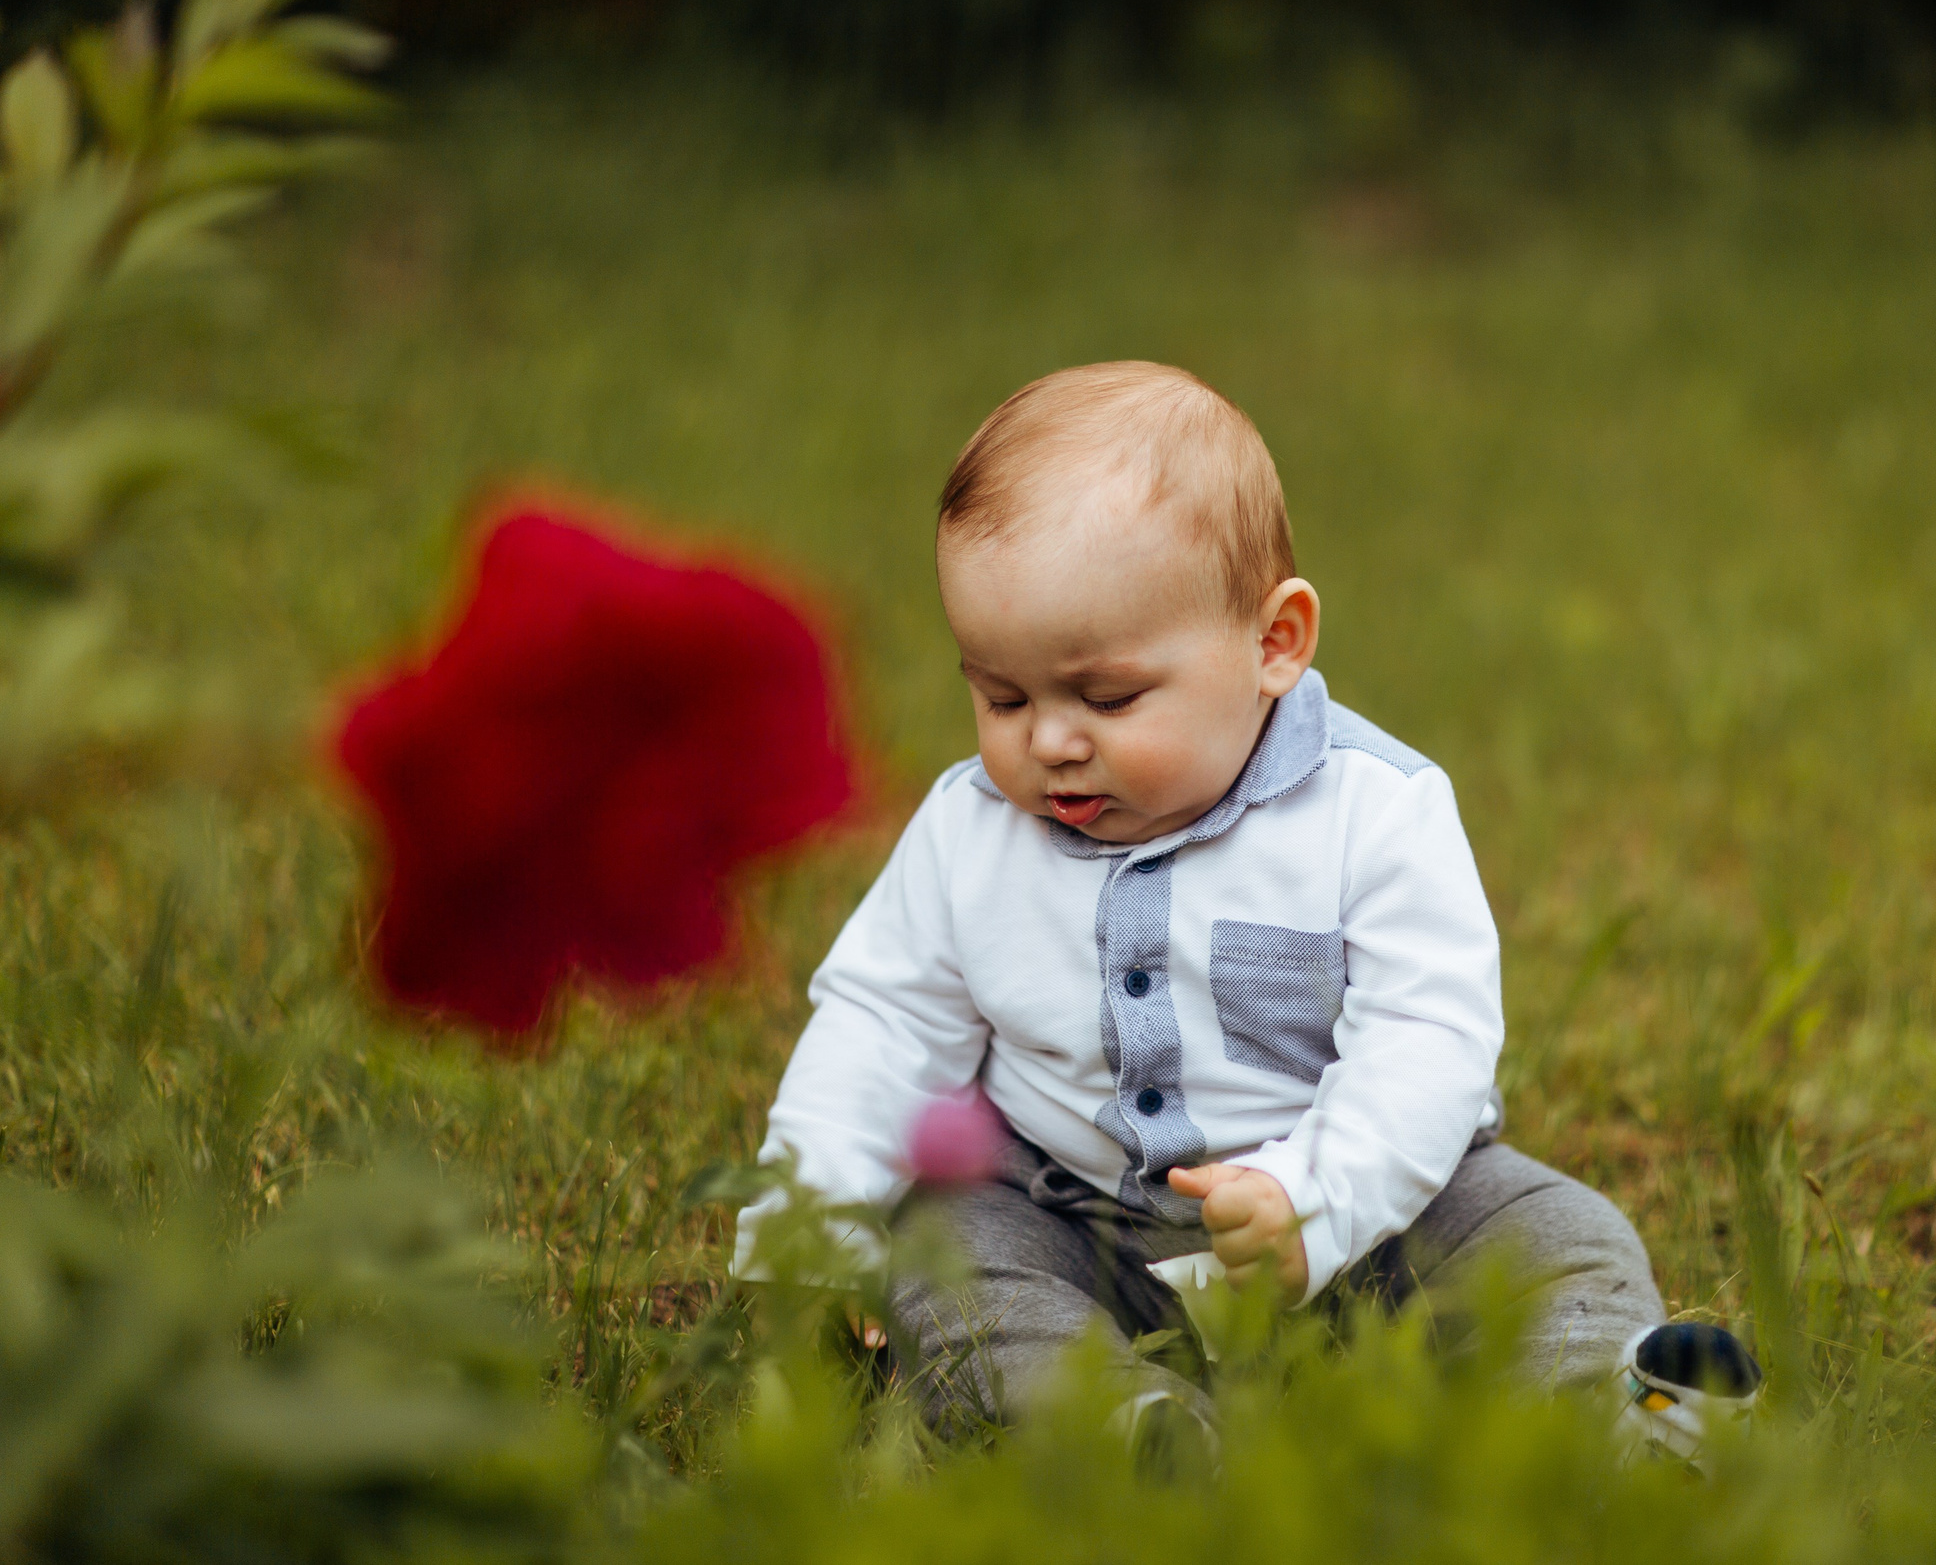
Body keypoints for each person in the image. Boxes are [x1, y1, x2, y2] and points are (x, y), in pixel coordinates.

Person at [737, 360, 1758, 1457]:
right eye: (1000, 694)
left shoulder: (1375, 813)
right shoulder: (969, 832)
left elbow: (1429, 1042)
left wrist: (1310, 1198)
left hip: (1368, 1214)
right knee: (944, 1251)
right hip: (1067, 1213)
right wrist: (811, 1226)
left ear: (1274, 645)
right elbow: (880, 1028)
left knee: (1552, 1234)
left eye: (1108, 696)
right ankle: (1120, 1436)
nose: (1048, 740)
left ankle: (1622, 1414)